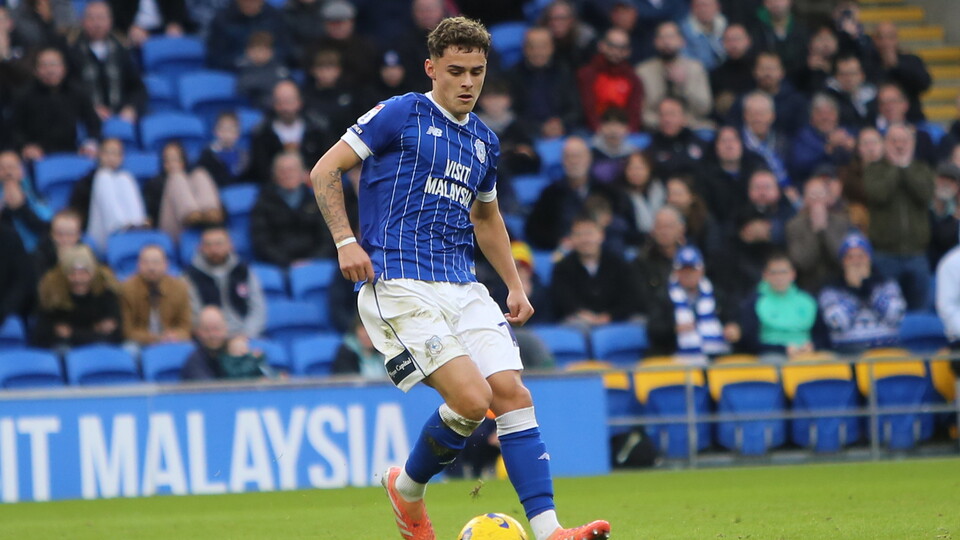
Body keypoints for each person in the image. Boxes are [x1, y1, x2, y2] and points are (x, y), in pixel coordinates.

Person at [308, 16, 610, 540]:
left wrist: (513, 284)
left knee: (512, 395)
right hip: (399, 283)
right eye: (456, 71)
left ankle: (550, 531)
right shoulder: (402, 113)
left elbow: (486, 217)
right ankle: (407, 493)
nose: (468, 82)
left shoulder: (485, 143)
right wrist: (344, 240)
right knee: (473, 400)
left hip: (464, 285)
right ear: (432, 68)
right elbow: (324, 171)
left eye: (477, 71)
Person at [864, 123, 934, 311]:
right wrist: (896, 169)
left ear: (912, 144)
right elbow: (879, 194)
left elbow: (925, 194)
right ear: (885, 144)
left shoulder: (921, 168)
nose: (899, 145)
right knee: (886, 308)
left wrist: (906, 168)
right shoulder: (874, 170)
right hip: (885, 254)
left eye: (904, 140)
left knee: (920, 308)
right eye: (893, 140)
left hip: (917, 253)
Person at [647, 245, 738, 363]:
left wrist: (733, 328)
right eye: (683, 270)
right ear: (676, 271)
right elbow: (653, 329)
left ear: (701, 270)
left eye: (692, 270)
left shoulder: (717, 293)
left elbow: (733, 318)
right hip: (678, 359)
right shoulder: (663, 296)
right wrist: (674, 329)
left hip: (718, 356)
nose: (688, 274)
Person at [818, 233, 905, 353]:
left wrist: (869, 289)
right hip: (849, 354)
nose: (856, 262)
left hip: (886, 352)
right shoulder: (831, 290)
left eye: (861, 256)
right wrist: (855, 291)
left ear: (869, 259)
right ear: (843, 262)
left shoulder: (887, 284)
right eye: (850, 257)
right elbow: (837, 323)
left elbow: (895, 315)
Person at [550, 214, 641, 328]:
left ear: (601, 235)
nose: (585, 240)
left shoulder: (618, 264)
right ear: (572, 238)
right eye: (579, 235)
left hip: (615, 318)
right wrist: (583, 315)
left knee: (640, 322)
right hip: (579, 321)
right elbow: (562, 300)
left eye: (589, 234)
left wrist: (609, 316)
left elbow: (630, 297)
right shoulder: (562, 268)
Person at [10, 46, 100, 160]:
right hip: (38, 156)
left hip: (73, 153)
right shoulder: (24, 95)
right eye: (44, 66)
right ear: (36, 71)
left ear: (64, 68)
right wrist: (25, 146)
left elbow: (93, 123)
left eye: (54, 65)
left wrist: (90, 144)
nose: (50, 70)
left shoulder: (77, 93)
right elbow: (15, 129)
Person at [525, 136, 612, 251]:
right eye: (569, 157)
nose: (574, 161)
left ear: (589, 158)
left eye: (578, 156)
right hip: (564, 252)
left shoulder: (607, 191)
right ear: (562, 161)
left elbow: (621, 225)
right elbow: (535, 230)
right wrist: (558, 241)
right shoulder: (550, 194)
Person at [69, 1, 147, 122]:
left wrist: (131, 108)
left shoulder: (121, 50)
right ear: (82, 21)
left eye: (101, 18)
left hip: (120, 117)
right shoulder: (72, 52)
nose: (97, 24)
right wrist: (90, 108)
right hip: (87, 119)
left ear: (110, 21)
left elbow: (137, 88)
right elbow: (69, 89)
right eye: (91, 18)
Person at [251, 151, 332, 266]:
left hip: (317, 263)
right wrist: (287, 263)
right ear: (274, 174)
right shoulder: (263, 203)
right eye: (282, 171)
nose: (287, 174)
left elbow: (327, 238)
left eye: (292, 170)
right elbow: (262, 242)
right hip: (279, 266)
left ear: (303, 173)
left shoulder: (317, 200)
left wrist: (313, 261)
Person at [184, 226, 266, 337]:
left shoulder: (244, 271)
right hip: (211, 339)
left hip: (246, 335)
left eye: (219, 244)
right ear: (200, 248)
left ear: (230, 245)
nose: (214, 250)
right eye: (208, 245)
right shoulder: (190, 276)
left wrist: (246, 335)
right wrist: (218, 337)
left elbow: (258, 308)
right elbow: (194, 315)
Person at [35, 244, 123, 349]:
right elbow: (43, 336)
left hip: (99, 349)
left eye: (83, 273)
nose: (78, 279)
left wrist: (72, 333)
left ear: (92, 273)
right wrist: (95, 330)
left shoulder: (106, 293)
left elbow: (116, 335)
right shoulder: (53, 296)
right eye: (72, 273)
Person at [738, 251, 820, 360]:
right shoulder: (755, 302)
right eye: (774, 273)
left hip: (807, 353)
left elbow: (823, 336)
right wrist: (783, 349)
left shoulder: (807, 300)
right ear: (765, 275)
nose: (779, 277)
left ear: (793, 274)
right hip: (772, 355)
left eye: (783, 272)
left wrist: (813, 346)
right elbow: (750, 342)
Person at [71, 138, 149, 251]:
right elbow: (77, 210)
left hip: (130, 232)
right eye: (107, 153)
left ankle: (137, 226)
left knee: (125, 177)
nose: (111, 158)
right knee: (104, 176)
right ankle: (120, 227)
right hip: (100, 234)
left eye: (116, 154)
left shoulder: (124, 179)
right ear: (99, 155)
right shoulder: (87, 181)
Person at [505, 26, 581, 140]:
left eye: (543, 47)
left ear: (552, 48)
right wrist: (539, 128)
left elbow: (575, 108)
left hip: (565, 130)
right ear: (524, 49)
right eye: (532, 47)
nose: (538, 52)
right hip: (527, 134)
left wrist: (561, 124)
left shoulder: (564, 71)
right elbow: (512, 112)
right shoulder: (513, 74)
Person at [247, 80, 330, 183]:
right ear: (273, 104)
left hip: (313, 186)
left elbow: (328, 163)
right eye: (280, 102)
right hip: (274, 190)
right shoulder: (261, 133)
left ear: (299, 102)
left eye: (289, 102)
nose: (285, 108)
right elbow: (260, 170)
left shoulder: (317, 129)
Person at [635, 21, 713, 130]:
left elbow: (704, 108)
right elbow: (640, 112)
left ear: (682, 41)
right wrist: (665, 122)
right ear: (655, 42)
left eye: (671, 37)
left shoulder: (696, 68)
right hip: (655, 128)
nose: (667, 42)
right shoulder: (642, 71)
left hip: (690, 126)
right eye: (662, 38)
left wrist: (683, 86)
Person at [144, 141, 223, 241]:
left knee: (200, 174)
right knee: (176, 177)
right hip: (172, 228)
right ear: (163, 163)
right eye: (167, 160)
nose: (172, 164)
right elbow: (152, 214)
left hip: (204, 220)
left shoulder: (192, 177)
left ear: (184, 161)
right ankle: (191, 214)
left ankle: (210, 211)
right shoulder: (154, 183)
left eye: (176, 159)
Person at [786, 175, 852, 294]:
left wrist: (824, 231)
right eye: (812, 195)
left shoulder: (841, 222)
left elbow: (841, 257)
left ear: (828, 198)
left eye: (820, 194)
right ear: (805, 199)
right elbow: (802, 263)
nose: (816, 199)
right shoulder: (794, 226)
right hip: (808, 283)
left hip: (837, 281)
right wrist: (816, 232)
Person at [120, 245, 192, 347]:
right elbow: (127, 331)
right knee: (130, 349)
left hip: (171, 341)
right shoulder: (127, 289)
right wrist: (155, 339)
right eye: (146, 263)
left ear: (166, 265)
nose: (151, 268)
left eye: (156, 263)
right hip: (140, 342)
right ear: (138, 265)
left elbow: (186, 327)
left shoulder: (179, 288)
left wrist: (175, 335)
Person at [577, 27, 643, 133]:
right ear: (601, 46)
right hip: (591, 131)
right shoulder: (587, 74)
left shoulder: (633, 79)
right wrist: (600, 130)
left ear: (628, 52)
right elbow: (588, 109)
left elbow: (634, 112)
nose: (616, 52)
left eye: (622, 48)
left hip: (623, 133)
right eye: (611, 46)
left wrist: (626, 132)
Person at [181, 305, 270, 380]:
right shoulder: (195, 361)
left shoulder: (234, 351)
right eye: (207, 330)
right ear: (198, 332)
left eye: (216, 329)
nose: (212, 335)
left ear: (225, 329)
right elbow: (208, 392)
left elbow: (260, 374)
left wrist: (252, 361)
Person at [866, 22, 931, 123]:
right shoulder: (868, 63)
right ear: (874, 40)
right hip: (877, 121)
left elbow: (924, 84)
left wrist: (897, 66)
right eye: (881, 38)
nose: (885, 42)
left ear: (897, 39)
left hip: (912, 118)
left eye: (890, 37)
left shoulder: (911, 60)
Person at [205, 0, 294, 71]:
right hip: (236, 73)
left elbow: (285, 49)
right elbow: (216, 57)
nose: (251, 3)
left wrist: (269, 56)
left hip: (271, 70)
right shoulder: (222, 19)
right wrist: (244, 59)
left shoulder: (274, 16)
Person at [629, 205, 686, 310]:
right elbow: (643, 300)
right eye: (659, 226)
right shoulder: (641, 262)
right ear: (652, 231)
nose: (664, 232)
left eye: (669, 226)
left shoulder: (690, 258)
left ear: (681, 229)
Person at [0, 150, 51, 253]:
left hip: (31, 251)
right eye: (2, 168)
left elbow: (45, 225)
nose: (7, 172)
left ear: (21, 170)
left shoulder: (34, 193)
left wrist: (20, 207)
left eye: (11, 167)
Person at [612, 150, 665, 248]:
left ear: (649, 169)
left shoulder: (660, 189)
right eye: (632, 168)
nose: (636, 173)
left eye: (640, 168)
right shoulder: (618, 195)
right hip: (635, 244)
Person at [647, 96, 708, 179]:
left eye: (672, 114)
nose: (667, 119)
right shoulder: (651, 147)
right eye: (663, 115)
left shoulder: (699, 143)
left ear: (684, 117)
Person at [236, 31, 290, 111]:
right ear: (248, 51)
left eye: (263, 50)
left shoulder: (279, 67)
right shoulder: (243, 68)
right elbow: (243, 88)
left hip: (279, 108)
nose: (259, 54)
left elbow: (286, 86)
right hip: (253, 108)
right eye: (257, 50)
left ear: (271, 52)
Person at [196, 111, 249, 187]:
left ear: (238, 133)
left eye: (232, 130)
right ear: (215, 131)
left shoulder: (244, 155)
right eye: (224, 130)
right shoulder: (208, 155)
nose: (227, 135)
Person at [107, 0, 191, 46]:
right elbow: (116, 12)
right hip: (133, 30)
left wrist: (174, 24)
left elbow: (178, 9)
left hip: (163, 30)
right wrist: (129, 27)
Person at [33, 209, 84, 277]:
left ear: (79, 235)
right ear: (52, 234)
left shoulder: (88, 257)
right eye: (59, 234)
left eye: (70, 234)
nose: (65, 239)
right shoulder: (39, 257)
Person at [929, 163, 960, 269]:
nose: (946, 184)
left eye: (951, 181)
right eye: (942, 179)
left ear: (957, 187)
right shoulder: (921, 206)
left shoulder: (956, 213)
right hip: (926, 267)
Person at [681, 0, 727, 71]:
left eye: (706, 5)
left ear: (717, 7)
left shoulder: (726, 26)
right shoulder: (684, 30)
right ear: (692, 8)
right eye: (698, 6)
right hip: (699, 72)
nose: (703, 9)